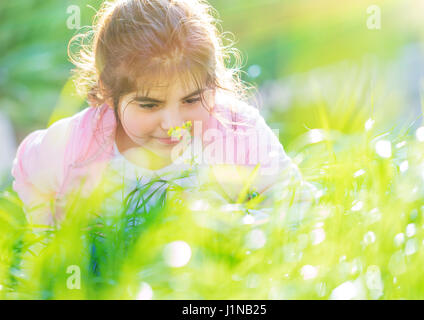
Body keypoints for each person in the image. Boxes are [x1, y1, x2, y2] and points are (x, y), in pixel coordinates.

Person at [11, 0, 314, 226]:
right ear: (107, 91)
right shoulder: (76, 145)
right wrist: (45, 234)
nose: (173, 124)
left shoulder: (237, 131)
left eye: (192, 99)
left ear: (214, 83)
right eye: (149, 105)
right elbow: (29, 173)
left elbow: (295, 201)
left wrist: (243, 225)